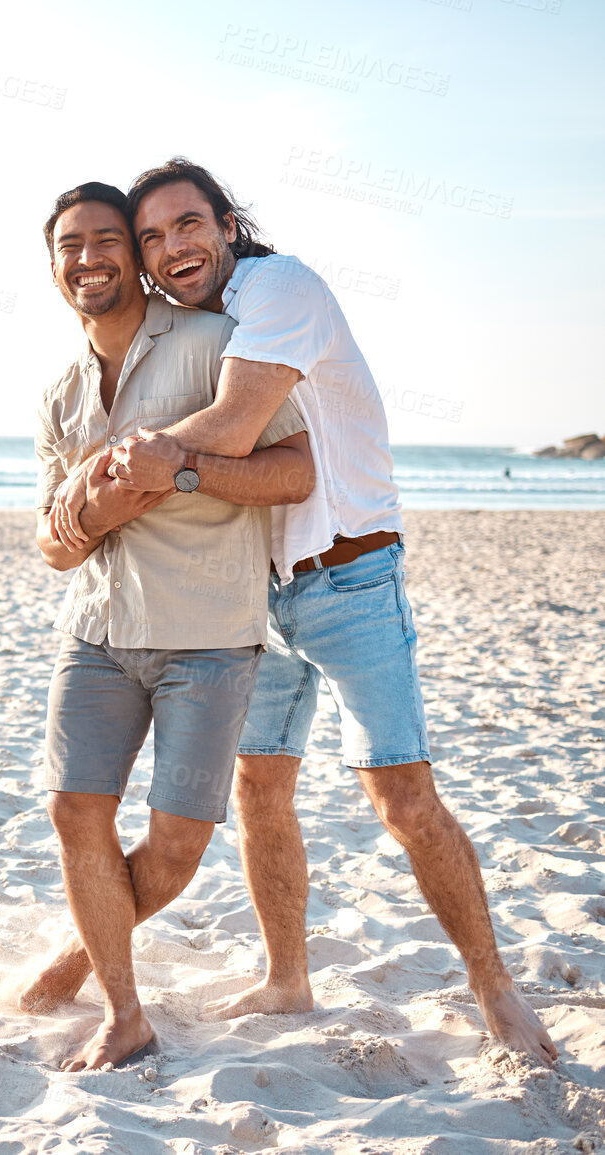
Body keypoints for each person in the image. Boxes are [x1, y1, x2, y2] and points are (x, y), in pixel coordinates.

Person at [47, 158, 556, 1065]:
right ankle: (288, 978)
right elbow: (203, 464)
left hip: (349, 578)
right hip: (255, 593)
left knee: (402, 798)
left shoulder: (278, 286)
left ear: (228, 225)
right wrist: (131, 478)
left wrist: (113, 470)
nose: (171, 247)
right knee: (259, 789)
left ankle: (493, 985)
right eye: (154, 236)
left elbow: (237, 430)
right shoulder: (200, 328)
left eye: (187, 224)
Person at [28, 181, 314, 1070]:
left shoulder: (212, 344)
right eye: (69, 246)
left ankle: (83, 952)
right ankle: (124, 1008)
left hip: (208, 639)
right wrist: (81, 516)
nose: (89, 258)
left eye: (107, 239)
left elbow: (296, 469)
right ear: (52, 266)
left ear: (137, 254)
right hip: (96, 635)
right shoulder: (60, 392)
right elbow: (54, 542)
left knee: (179, 841)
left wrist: (171, 473)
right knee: (75, 811)